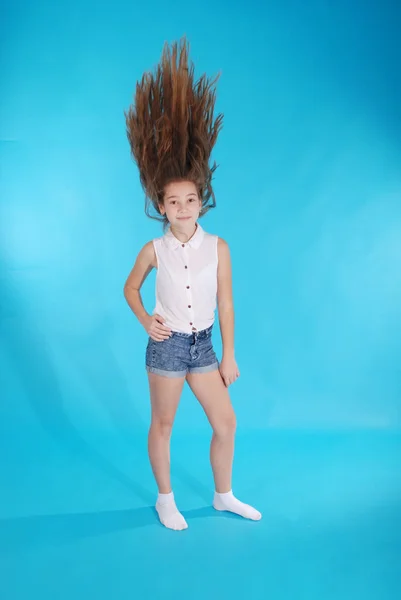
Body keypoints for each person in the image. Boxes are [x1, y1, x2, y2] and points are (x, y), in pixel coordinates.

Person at [123, 37, 261, 531]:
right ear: (161, 205)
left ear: (201, 200)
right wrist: (145, 321)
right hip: (166, 348)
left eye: (190, 199)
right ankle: (165, 499)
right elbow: (130, 288)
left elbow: (225, 304)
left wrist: (229, 354)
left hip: (204, 348)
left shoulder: (219, 246)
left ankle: (223, 495)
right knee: (163, 426)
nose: (182, 207)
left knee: (226, 423)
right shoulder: (153, 250)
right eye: (173, 201)